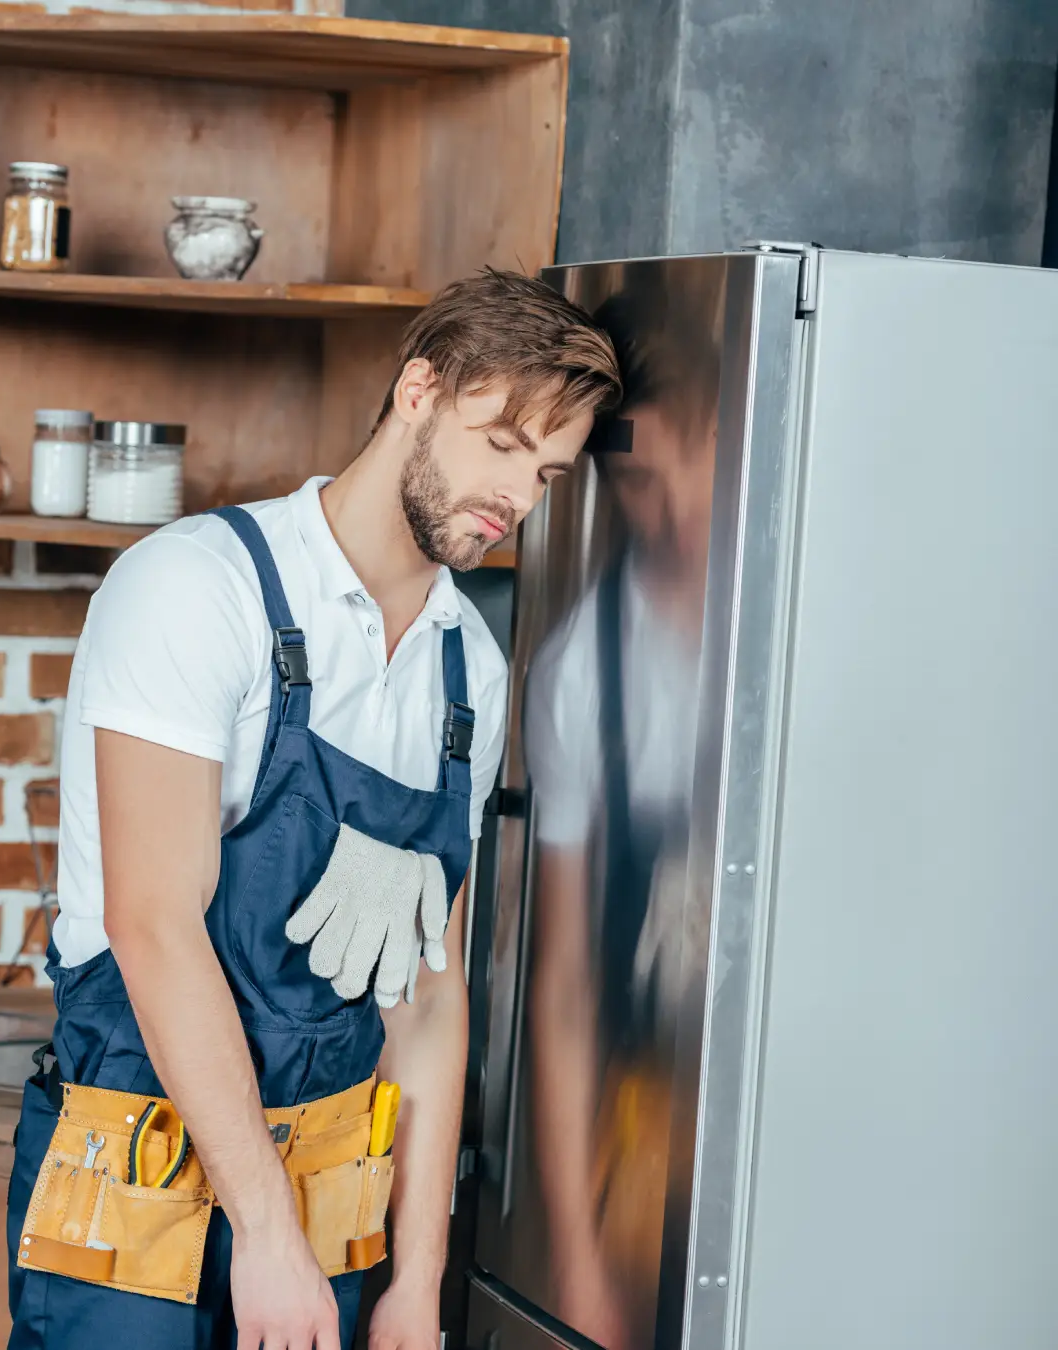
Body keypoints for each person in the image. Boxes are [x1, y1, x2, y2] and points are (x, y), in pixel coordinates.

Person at [6, 269, 622, 1350]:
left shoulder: (466, 675)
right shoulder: (201, 588)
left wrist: (415, 1281)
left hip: (333, 1214)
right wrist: (265, 1234)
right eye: (502, 444)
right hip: (137, 1188)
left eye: (550, 474)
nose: (518, 498)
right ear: (422, 388)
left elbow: (426, 1003)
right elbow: (155, 929)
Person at [524, 267, 725, 1349]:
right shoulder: (581, 674)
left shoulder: (835, 614)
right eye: (641, 483)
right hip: (652, 1118)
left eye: (694, 457)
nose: (676, 506)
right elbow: (563, 986)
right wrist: (578, 1254)